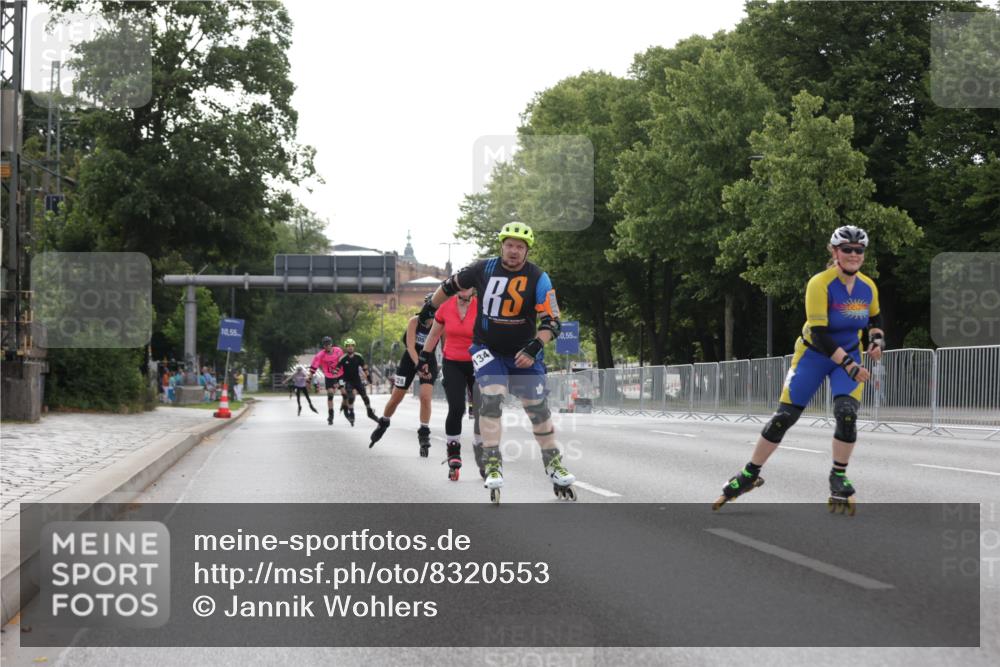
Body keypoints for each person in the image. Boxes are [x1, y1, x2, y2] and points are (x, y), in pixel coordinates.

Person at [712, 225, 885, 515]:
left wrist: (877, 341)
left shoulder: (868, 286)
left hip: (849, 356)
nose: (854, 255)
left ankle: (838, 475)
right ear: (834, 252)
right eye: (847, 250)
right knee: (784, 418)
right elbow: (820, 334)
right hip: (814, 355)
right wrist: (850, 365)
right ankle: (749, 474)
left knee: (846, 413)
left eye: (859, 251)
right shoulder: (820, 284)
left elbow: (876, 319)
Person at [418, 222, 575, 503]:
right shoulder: (483, 269)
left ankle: (553, 464)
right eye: (509, 245)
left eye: (520, 247)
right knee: (491, 399)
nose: (514, 251)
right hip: (487, 349)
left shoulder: (539, 277)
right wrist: (430, 306)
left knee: (537, 409)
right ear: (501, 245)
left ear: (527, 251)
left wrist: (536, 345)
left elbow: (552, 321)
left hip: (524, 352)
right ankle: (492, 462)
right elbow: (449, 286)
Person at [420, 287, 482, 481]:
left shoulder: (482, 307)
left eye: (468, 285)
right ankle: (453, 453)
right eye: (461, 285)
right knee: (457, 408)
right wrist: (424, 357)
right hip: (452, 361)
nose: (464, 289)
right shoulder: (446, 306)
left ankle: (482, 451)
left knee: (482, 409)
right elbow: (434, 335)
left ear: (473, 288)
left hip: (478, 361)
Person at [368, 295, 438, 455]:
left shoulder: (440, 323)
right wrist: (419, 365)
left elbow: (447, 346)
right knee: (396, 399)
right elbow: (411, 347)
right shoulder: (414, 321)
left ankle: (424, 431)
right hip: (410, 360)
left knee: (425, 397)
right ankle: (384, 422)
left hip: (429, 360)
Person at [336, 338, 378, 426]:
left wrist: (368, 377)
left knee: (365, 397)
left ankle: (369, 411)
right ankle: (351, 413)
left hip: (357, 380)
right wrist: (339, 382)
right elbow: (337, 371)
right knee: (351, 397)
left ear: (354, 347)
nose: (350, 348)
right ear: (346, 348)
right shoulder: (343, 358)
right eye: (348, 346)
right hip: (348, 381)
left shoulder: (358, 356)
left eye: (352, 346)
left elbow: (364, 367)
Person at [308, 336, 346, 425]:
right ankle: (331, 415)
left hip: (340, 376)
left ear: (331, 344)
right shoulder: (320, 355)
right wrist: (309, 379)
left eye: (328, 344)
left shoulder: (338, 351)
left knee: (344, 393)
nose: (327, 347)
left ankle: (345, 408)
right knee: (330, 394)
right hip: (329, 377)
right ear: (323, 346)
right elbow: (313, 368)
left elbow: (343, 361)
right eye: (325, 345)